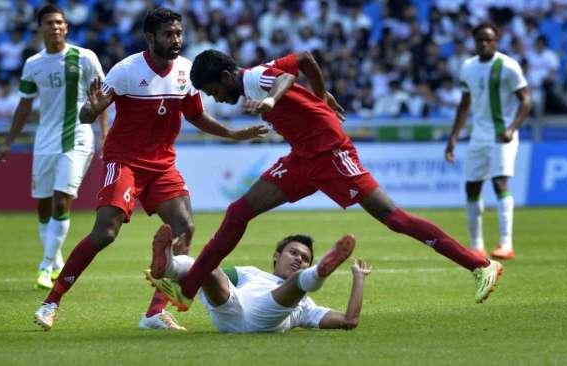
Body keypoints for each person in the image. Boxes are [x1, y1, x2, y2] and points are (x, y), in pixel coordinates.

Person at [146, 49, 504, 313]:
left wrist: (271, 100)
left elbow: (286, 78)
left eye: (213, 91)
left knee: (393, 217)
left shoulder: (254, 81)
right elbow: (305, 59)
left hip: (331, 154)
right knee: (239, 211)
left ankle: (480, 265)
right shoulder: (254, 77)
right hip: (304, 158)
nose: (217, 99)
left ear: (226, 76)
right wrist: (320, 94)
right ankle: (187, 289)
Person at [32, 8, 268, 331]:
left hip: (161, 165)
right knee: (105, 233)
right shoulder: (126, 71)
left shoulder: (185, 71)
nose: (176, 40)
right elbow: (88, 114)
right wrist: (91, 108)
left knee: (184, 227)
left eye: (179, 33)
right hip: (125, 161)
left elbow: (196, 116)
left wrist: (233, 133)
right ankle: (51, 302)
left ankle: (155, 312)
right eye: (169, 34)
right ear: (150, 37)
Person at [0, 5, 108, 290]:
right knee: (44, 205)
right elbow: (24, 104)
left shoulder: (85, 57)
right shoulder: (33, 64)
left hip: (79, 136)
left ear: (67, 27)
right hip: (45, 139)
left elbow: (101, 98)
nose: (55, 27)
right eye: (49, 23)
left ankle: (45, 265)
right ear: (40, 28)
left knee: (61, 200)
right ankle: (56, 259)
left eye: (60, 23)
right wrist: (8, 142)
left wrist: (105, 135)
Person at [146, 225, 370, 333]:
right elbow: (206, 273)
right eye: (293, 253)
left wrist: (359, 278)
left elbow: (349, 321)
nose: (298, 259)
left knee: (297, 284)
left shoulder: (305, 306)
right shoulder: (250, 273)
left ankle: (319, 272)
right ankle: (171, 265)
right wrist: (180, 280)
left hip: (264, 318)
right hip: (231, 310)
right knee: (208, 266)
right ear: (276, 256)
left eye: (304, 259)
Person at [444, 22, 532, 260]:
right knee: (471, 186)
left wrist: (513, 128)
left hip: (502, 135)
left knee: (499, 184)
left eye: (489, 40)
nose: (484, 43)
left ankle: (506, 244)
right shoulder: (468, 67)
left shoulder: (508, 66)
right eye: (480, 40)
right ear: (474, 42)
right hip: (478, 136)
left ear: (496, 41)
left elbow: (526, 100)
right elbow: (464, 105)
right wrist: (453, 138)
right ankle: (476, 246)